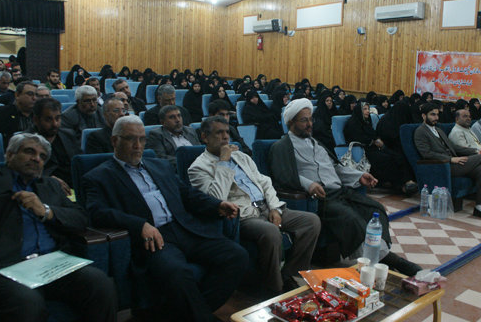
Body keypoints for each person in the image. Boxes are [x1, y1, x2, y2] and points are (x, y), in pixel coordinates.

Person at [84, 116, 248, 322]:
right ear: (115, 141)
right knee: (178, 273)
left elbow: (187, 194)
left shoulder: (159, 166)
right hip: (155, 239)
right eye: (131, 139)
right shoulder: (99, 176)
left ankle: (188, 315)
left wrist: (217, 205)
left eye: (142, 139)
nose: (138, 145)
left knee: (237, 256)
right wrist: (139, 225)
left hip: (184, 229)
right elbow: (97, 212)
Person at [268, 99, 421, 276]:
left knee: (375, 209)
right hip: (321, 198)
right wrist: (309, 185)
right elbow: (283, 175)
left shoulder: (316, 143)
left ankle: (379, 258)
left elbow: (336, 168)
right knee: (351, 219)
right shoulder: (282, 147)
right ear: (290, 122)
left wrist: (359, 176)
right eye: (304, 120)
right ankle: (393, 262)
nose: (309, 124)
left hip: (341, 192)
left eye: (311, 119)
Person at [0, 133, 117, 322]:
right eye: (29, 151)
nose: (36, 158)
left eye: (42, 156)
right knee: (29, 303)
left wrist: (46, 211)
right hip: (8, 267)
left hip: (51, 264)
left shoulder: (50, 185)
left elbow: (81, 218)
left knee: (101, 284)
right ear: (10, 155)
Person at [190, 116, 321, 294]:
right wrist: (223, 163)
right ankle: (275, 289)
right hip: (243, 216)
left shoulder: (241, 157)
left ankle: (290, 274)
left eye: (227, 132)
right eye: (219, 133)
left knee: (311, 222)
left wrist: (274, 208)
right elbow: (216, 199)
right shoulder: (198, 168)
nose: (225, 137)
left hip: (266, 207)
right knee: (271, 231)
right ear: (205, 137)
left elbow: (264, 182)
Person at [414, 103, 481, 221]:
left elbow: (454, 147)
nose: (436, 117)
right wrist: (451, 159)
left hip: (454, 163)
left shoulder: (438, 129)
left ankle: (480, 208)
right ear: (424, 116)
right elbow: (427, 153)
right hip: (443, 166)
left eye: (437, 114)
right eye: (432, 115)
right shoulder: (420, 131)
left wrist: (475, 151)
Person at [345, 102, 418, 195]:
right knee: (387, 159)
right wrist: (373, 141)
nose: (368, 111)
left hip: (374, 148)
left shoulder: (366, 122)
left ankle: (406, 181)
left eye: (368, 109)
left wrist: (376, 140)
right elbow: (356, 138)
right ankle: (401, 185)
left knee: (397, 156)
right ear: (359, 111)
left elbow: (373, 134)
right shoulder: (352, 123)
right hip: (362, 150)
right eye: (365, 109)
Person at [26, 98, 81, 195]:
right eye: (48, 119)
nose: (55, 124)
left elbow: (79, 164)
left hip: (72, 188)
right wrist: (48, 180)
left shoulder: (68, 135)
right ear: (36, 120)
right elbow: (23, 173)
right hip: (42, 190)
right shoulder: (26, 141)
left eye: (57, 118)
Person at [145, 105, 201, 170]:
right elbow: (161, 158)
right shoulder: (156, 135)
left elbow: (201, 151)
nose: (177, 120)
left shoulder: (190, 131)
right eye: (172, 117)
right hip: (179, 169)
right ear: (162, 122)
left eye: (179, 116)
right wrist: (186, 162)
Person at [0, 80, 37, 146]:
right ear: (17, 95)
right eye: (30, 94)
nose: (34, 98)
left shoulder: (40, 115)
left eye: (36, 95)